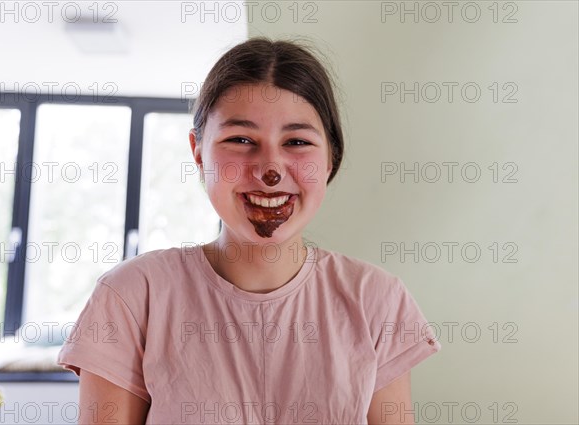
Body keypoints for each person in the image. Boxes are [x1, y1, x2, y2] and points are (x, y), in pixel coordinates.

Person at [58, 37, 441, 425]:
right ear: (198, 152)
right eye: (240, 140)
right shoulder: (130, 298)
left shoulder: (378, 301)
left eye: (297, 141)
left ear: (330, 157)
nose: (270, 169)